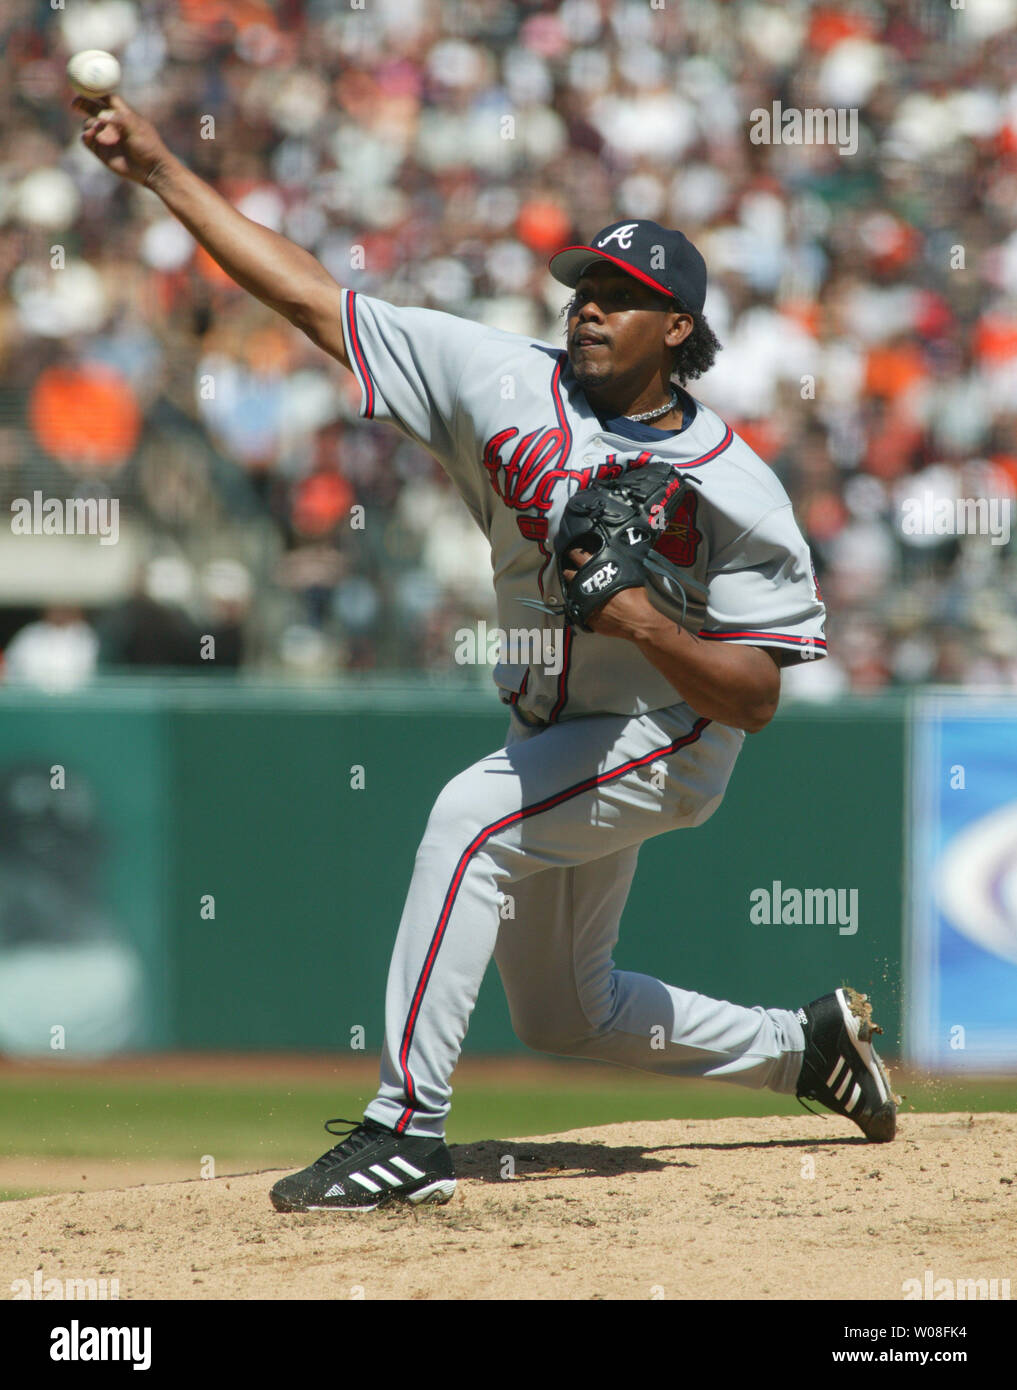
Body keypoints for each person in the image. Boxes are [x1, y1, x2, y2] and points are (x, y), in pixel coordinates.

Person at [76, 95, 897, 1214]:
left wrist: (646, 618)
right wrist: (164, 168)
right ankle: (803, 1049)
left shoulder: (735, 487)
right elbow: (313, 298)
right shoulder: (496, 376)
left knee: (469, 822)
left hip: (671, 733)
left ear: (679, 331)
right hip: (554, 728)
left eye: (624, 299)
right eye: (585, 290)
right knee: (568, 1013)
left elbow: (755, 697)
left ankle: (403, 1132)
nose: (591, 310)